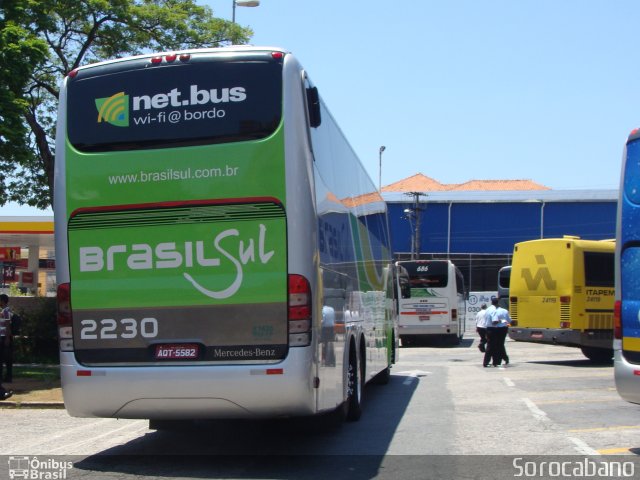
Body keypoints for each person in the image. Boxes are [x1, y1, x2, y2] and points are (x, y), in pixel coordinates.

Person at [482, 297, 511, 367]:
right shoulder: (494, 310)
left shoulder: (487, 309)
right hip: (494, 329)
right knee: (494, 346)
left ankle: (494, 361)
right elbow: (494, 322)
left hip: (488, 328)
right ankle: (491, 362)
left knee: (492, 346)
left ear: (491, 302)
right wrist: (502, 321)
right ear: (498, 303)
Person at [0, 294, 13, 399]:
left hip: (4, 338)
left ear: (3, 301)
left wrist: (7, 338)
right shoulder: (3, 311)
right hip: (3, 337)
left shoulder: (6, 311)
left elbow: (8, 325)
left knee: (3, 359)